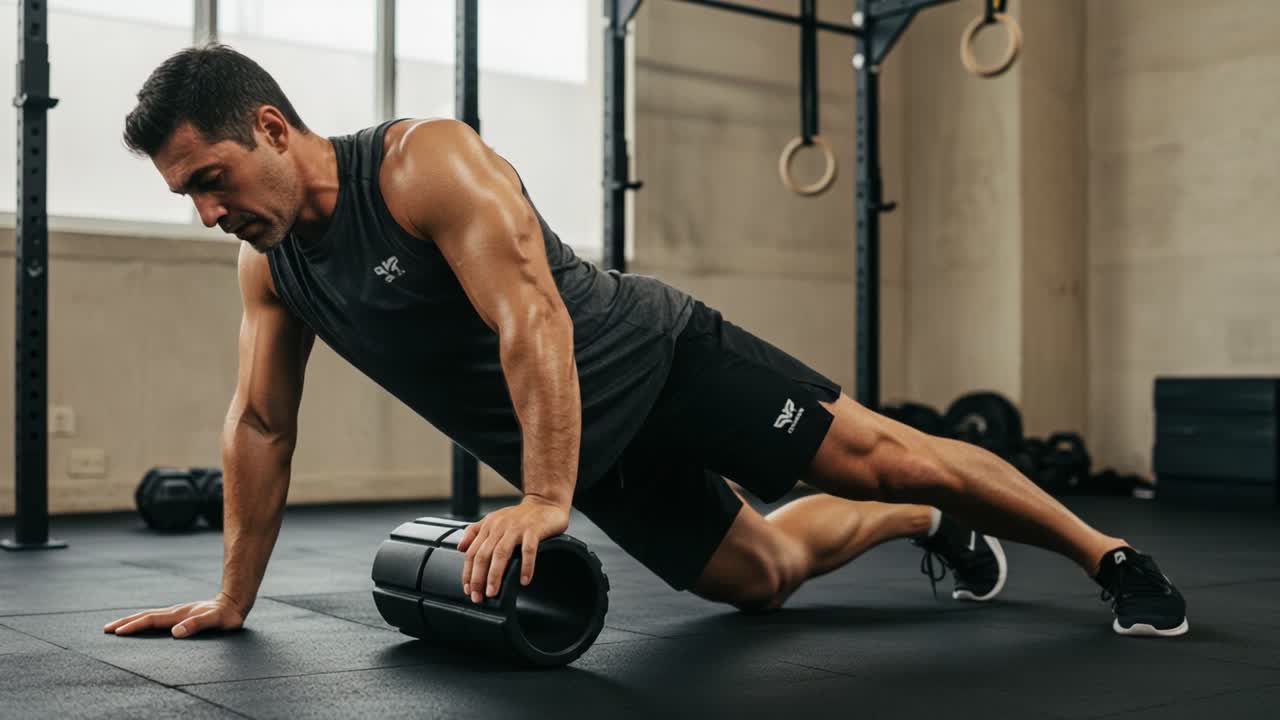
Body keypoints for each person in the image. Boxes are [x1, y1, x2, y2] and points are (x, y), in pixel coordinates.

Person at [104, 45, 1188, 642]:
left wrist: (542, 496)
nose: (209, 214)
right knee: (760, 579)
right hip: (594, 452)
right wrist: (233, 597)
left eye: (212, 180)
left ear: (272, 129)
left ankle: (1109, 559)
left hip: (660, 362)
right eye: (187, 196)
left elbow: (531, 317)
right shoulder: (272, 267)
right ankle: (925, 525)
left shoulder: (421, 165)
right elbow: (260, 424)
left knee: (885, 452)